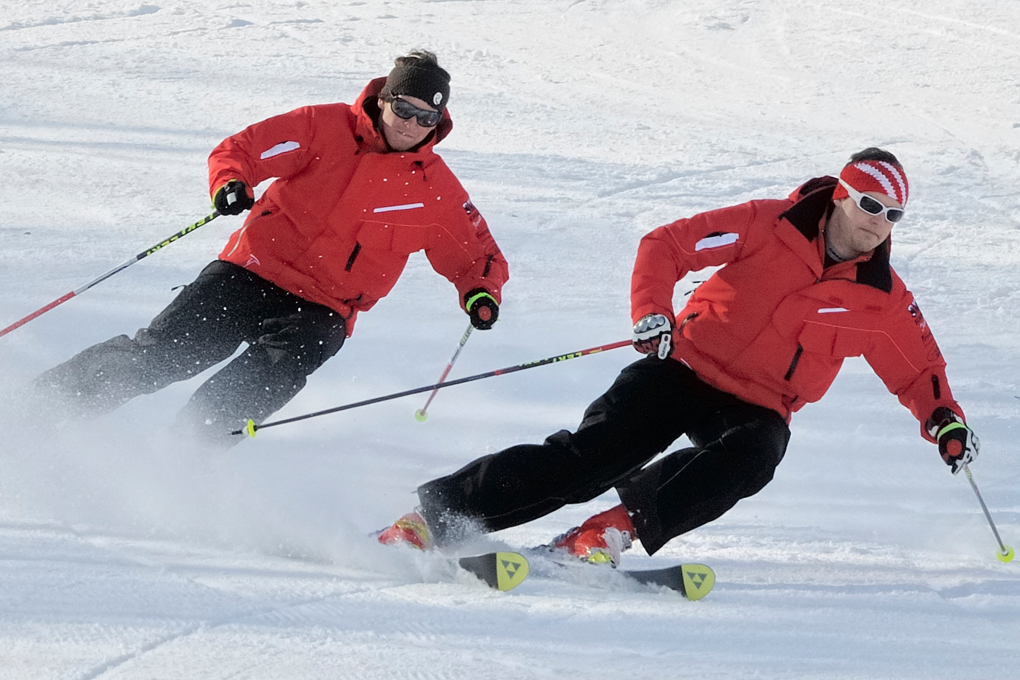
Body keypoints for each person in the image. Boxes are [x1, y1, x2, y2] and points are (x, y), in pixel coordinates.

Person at [378, 148, 978, 565]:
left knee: (756, 456)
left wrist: (945, 422)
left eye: (894, 215)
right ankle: (431, 518)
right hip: (682, 366)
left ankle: (605, 534)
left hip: (760, 403)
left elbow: (918, 370)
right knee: (588, 461)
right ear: (842, 196)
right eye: (871, 206)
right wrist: (652, 310)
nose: (880, 225)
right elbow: (666, 244)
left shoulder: (881, 299)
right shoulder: (767, 224)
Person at [30, 50, 509, 447]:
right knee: (162, 356)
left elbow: (476, 254)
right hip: (252, 271)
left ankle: (177, 461)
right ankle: (35, 411)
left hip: (324, 309)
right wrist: (231, 183)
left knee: (258, 383)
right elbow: (242, 149)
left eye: (426, 117)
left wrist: (480, 292)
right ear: (383, 99)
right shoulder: (323, 127)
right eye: (404, 108)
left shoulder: (434, 189)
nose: (411, 125)